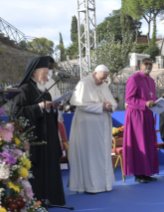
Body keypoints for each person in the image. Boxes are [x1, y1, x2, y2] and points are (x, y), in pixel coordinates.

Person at [11, 56, 65, 205]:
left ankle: (50, 198)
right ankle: (36, 200)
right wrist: (40, 107)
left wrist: (53, 109)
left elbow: (49, 116)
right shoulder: (24, 89)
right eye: (44, 74)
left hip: (46, 138)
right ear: (34, 73)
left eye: (48, 74)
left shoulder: (45, 91)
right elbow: (17, 113)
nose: (47, 78)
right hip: (33, 138)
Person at [69, 64, 117, 193]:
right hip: (88, 128)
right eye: (101, 78)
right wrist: (101, 106)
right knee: (91, 155)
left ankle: (105, 184)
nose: (103, 81)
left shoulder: (103, 85)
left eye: (105, 79)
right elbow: (82, 105)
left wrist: (110, 105)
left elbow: (113, 103)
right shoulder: (83, 84)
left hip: (102, 126)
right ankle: (92, 186)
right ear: (95, 73)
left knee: (102, 154)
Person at [123, 58, 159, 184]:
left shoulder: (151, 81)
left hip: (148, 115)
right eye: (146, 64)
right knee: (140, 144)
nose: (149, 66)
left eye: (150, 64)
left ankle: (147, 172)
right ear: (140, 65)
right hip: (136, 115)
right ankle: (139, 174)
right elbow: (129, 99)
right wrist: (145, 103)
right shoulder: (134, 79)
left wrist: (160, 102)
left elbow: (152, 97)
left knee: (148, 144)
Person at [44, 56, 64, 122]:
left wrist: (60, 106)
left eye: (51, 69)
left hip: (53, 117)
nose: (50, 71)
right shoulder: (37, 82)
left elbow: (59, 97)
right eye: (49, 68)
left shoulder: (52, 81)